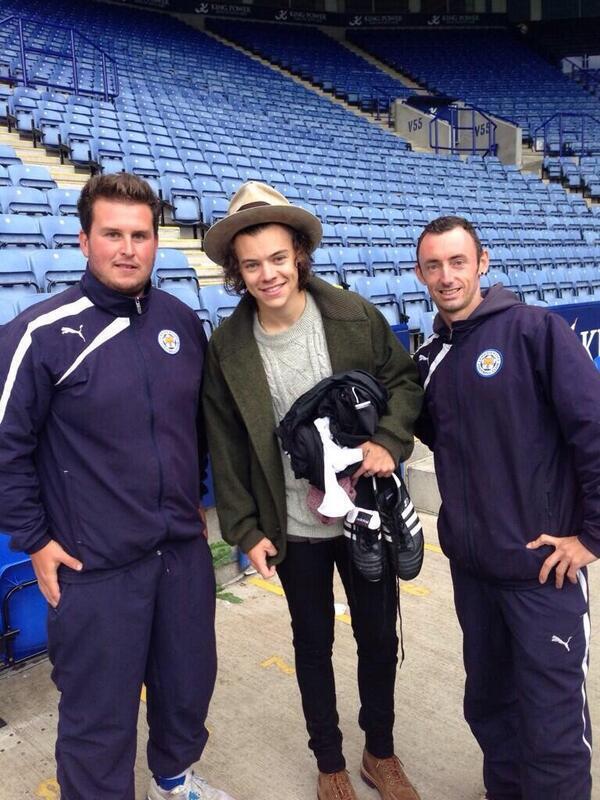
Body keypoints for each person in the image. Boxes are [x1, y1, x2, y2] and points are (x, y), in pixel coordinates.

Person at [0, 173, 234, 800]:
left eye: (141, 234)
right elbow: (6, 447)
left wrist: (200, 505)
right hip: (95, 565)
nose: (128, 248)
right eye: (113, 235)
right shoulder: (40, 334)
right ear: (84, 241)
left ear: (157, 241)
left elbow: (200, 430)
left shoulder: (182, 322)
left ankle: (173, 779)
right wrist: (35, 539)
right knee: (98, 719)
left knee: (187, 688)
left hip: (181, 555)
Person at [202, 181, 423, 800]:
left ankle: (380, 751)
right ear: (236, 272)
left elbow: (403, 382)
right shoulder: (227, 347)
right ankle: (329, 761)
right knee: (312, 645)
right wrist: (245, 530)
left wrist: (388, 439)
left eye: (277, 258)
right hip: (294, 527)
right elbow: (228, 446)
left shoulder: (353, 315)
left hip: (365, 517)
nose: (267, 274)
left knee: (379, 639)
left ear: (298, 253)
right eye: (251, 264)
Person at [413, 215, 600, 800]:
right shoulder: (430, 362)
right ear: (420, 274)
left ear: (483, 263)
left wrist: (593, 537)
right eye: (434, 266)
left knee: (552, 730)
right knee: (491, 709)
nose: (447, 277)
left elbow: (593, 430)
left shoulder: (534, 332)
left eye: (458, 262)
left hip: (541, 573)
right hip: (475, 573)